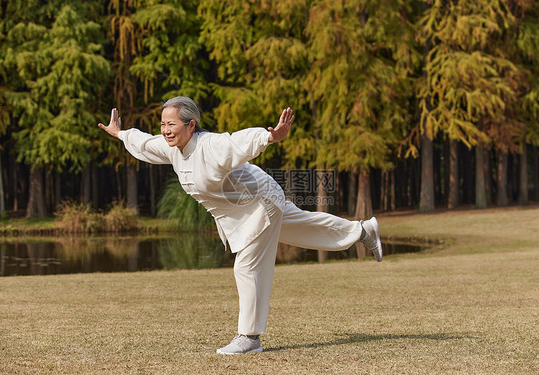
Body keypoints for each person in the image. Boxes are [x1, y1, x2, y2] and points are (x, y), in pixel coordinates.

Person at [98, 96, 382, 355]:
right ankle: (362, 231)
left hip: (260, 201)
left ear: (191, 125)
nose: (165, 130)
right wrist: (121, 133)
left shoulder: (211, 145)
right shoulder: (173, 148)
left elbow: (238, 141)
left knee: (246, 266)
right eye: (163, 124)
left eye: (171, 124)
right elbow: (145, 144)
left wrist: (270, 138)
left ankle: (249, 338)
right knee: (303, 225)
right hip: (247, 205)